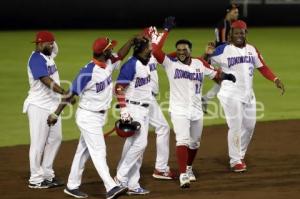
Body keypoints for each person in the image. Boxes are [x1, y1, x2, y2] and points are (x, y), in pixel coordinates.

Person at [47, 36, 137, 199]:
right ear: (104, 51)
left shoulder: (108, 62)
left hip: (98, 117)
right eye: (110, 48)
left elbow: (121, 55)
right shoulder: (88, 71)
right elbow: (70, 93)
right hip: (88, 117)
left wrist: (131, 41)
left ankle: (72, 185)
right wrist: (56, 113)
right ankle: (111, 187)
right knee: (99, 151)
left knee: (83, 151)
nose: (113, 50)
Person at [151, 17, 236, 188]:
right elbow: (154, 50)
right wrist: (166, 31)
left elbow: (214, 73)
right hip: (179, 110)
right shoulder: (170, 64)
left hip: (196, 109)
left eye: (184, 49)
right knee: (182, 140)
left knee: (195, 142)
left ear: (190, 50)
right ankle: (183, 174)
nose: (181, 52)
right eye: (179, 49)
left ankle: (188, 167)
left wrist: (227, 76)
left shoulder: (199, 63)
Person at [206, 20, 285, 172]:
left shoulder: (252, 49)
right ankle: (235, 160)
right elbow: (205, 64)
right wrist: (208, 54)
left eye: (242, 32)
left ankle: (239, 154)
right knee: (235, 126)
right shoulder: (223, 50)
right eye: (236, 32)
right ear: (231, 34)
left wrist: (275, 79)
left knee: (249, 126)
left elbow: (262, 67)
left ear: (245, 33)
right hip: (230, 94)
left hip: (248, 94)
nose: (239, 35)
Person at [23, 31, 66, 189]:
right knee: (38, 143)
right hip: (38, 106)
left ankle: (47, 173)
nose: (40, 45)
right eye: (39, 43)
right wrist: (63, 92)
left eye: (46, 43)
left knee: (56, 138)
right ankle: (35, 178)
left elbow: (55, 47)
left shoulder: (50, 54)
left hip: (52, 105)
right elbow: (45, 79)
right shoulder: (35, 59)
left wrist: (52, 42)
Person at [114, 37, 154, 195]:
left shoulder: (145, 63)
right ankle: (120, 177)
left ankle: (132, 184)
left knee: (134, 146)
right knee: (140, 144)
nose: (151, 49)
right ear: (141, 49)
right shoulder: (131, 64)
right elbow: (118, 88)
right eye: (149, 47)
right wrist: (124, 110)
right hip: (133, 109)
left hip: (144, 110)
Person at [143, 27, 177, 180]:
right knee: (163, 127)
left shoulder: (148, 55)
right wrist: (166, 30)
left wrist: (180, 54)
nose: (155, 39)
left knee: (138, 138)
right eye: (153, 37)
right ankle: (161, 168)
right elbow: (157, 48)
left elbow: (162, 56)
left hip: (146, 98)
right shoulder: (144, 55)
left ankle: (123, 173)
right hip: (144, 98)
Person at [202, 4, 239, 113]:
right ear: (228, 12)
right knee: (227, 81)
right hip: (219, 56)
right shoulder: (225, 24)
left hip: (217, 55)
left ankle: (204, 99)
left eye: (237, 12)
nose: (237, 14)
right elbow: (223, 43)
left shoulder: (225, 23)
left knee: (224, 81)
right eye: (235, 12)